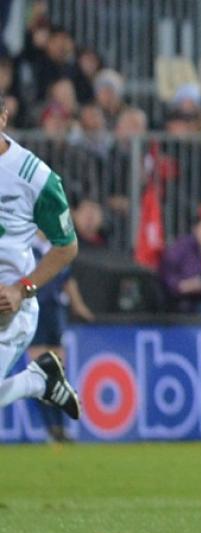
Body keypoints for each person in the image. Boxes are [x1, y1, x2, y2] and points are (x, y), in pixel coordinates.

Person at [0, 94, 82, 421]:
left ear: (3, 118)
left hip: (8, 310)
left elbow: (66, 247)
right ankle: (39, 380)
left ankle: (37, 380)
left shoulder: (35, 178)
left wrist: (22, 289)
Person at [28, 234, 95, 441]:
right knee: (39, 371)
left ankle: (60, 427)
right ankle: (49, 428)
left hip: (55, 311)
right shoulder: (27, 246)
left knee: (57, 374)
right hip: (33, 311)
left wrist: (79, 306)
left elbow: (67, 280)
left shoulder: (57, 247)